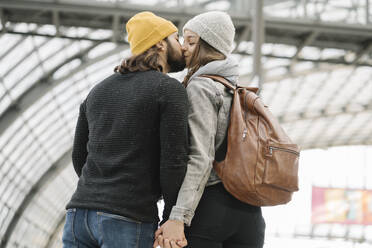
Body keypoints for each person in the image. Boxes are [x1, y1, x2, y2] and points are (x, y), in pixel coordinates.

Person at [62, 11, 189, 248]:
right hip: (127, 217)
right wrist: (172, 216)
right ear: (160, 44)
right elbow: (174, 161)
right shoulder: (168, 90)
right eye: (176, 39)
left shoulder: (98, 90)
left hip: (78, 215)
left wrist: (101, 191)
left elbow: (79, 156)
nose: (182, 47)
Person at [154, 11, 266, 248]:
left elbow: (201, 157)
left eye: (191, 41)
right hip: (250, 213)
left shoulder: (202, 86)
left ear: (208, 46)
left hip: (209, 208)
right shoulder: (238, 89)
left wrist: (178, 216)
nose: (183, 47)